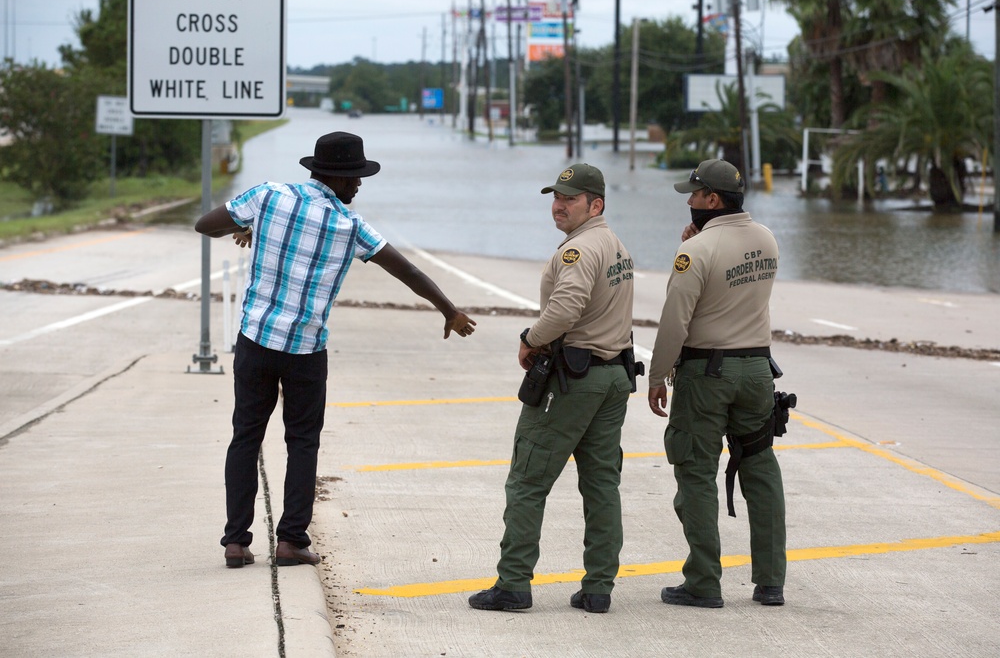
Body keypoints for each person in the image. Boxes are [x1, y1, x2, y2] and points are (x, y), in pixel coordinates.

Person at [195, 131, 477, 569]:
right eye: (357, 178)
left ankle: (235, 542)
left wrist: (249, 225)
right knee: (302, 442)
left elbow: (205, 226)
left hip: (255, 339)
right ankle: (290, 541)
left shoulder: (268, 196)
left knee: (245, 437)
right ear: (340, 178)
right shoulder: (351, 227)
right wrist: (449, 310)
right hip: (306, 349)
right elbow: (408, 272)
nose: (360, 186)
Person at [469, 164, 637, 614]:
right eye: (556, 197)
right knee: (602, 484)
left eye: (570, 198)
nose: (558, 205)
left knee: (527, 480)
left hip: (573, 380)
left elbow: (565, 310)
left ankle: (513, 584)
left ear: (595, 204)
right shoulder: (615, 245)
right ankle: (599, 587)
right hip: (613, 376)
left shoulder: (578, 251)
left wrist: (530, 339)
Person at [647, 158, 786, 608]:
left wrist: (657, 375)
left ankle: (704, 582)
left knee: (696, 473)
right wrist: (700, 240)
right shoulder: (767, 239)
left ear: (712, 199)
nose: (688, 202)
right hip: (758, 371)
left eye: (693, 195)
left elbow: (675, 320)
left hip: (708, 373)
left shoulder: (696, 251)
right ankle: (770, 582)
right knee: (761, 470)